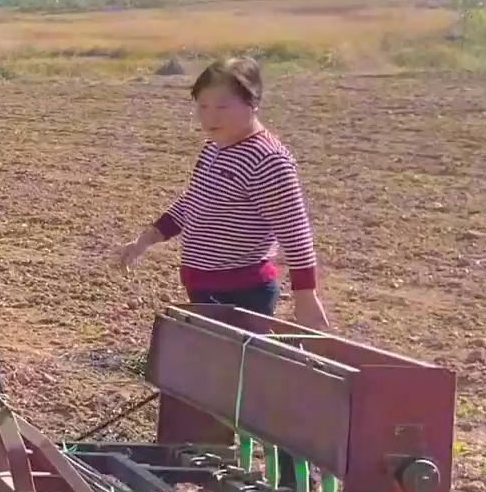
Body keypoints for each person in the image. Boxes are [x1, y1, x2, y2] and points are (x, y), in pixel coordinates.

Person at [117, 56, 331, 330]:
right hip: (203, 285)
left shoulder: (267, 160)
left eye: (222, 106)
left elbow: (294, 231)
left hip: (242, 292)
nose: (210, 116)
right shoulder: (214, 148)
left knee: (235, 367)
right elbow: (193, 202)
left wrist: (305, 296)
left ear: (253, 103)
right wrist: (146, 239)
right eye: (203, 106)